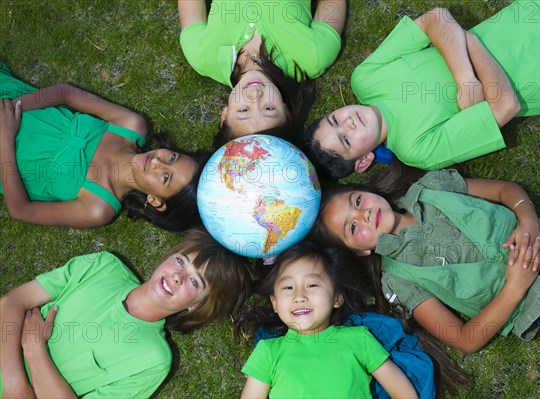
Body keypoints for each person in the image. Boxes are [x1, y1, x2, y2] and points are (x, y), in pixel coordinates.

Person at [299, 0, 540, 179]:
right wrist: (465, 40)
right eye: (347, 140)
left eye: (335, 120)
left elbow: (437, 17)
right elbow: (506, 106)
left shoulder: (365, 78)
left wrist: (467, 79)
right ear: (364, 160)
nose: (348, 123)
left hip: (537, 11)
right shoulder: (417, 150)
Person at [310, 168, 540, 353]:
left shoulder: (432, 186)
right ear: (360, 252)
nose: (364, 215)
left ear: (367, 191)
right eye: (352, 227)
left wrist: (529, 222)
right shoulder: (399, 279)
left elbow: (504, 190)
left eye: (357, 201)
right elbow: (464, 339)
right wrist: (514, 289)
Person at [0, 230, 252, 399]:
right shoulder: (104, 266)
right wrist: (15, 385)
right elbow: (11, 302)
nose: (178, 276)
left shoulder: (153, 360)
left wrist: (35, 350)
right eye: (180, 261)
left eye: (195, 282)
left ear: (197, 306)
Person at [0, 62, 207, 231]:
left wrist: (5, 139)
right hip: (11, 102)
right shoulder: (131, 126)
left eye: (165, 177)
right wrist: (12, 108)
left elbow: (22, 210)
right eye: (172, 158)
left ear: (156, 202)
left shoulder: (98, 208)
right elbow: (66, 93)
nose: (157, 161)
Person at [238, 242, 422, 399]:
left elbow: (402, 392)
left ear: (337, 298)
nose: (299, 296)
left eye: (311, 285)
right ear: (275, 303)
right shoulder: (268, 352)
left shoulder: (359, 339)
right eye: (288, 287)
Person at [178, 0, 346, 146]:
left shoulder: (202, 56)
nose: (255, 96)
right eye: (268, 108)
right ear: (285, 110)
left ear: (224, 115)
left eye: (243, 111)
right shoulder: (313, 56)